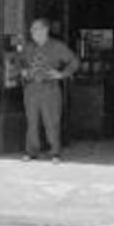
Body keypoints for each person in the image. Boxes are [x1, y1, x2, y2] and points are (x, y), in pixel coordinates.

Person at [19, 17, 78, 162]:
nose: (32, 32)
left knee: (51, 122)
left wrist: (62, 74)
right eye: (32, 29)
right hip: (32, 88)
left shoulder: (57, 46)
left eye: (35, 29)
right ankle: (31, 151)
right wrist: (23, 71)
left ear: (45, 30)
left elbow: (74, 61)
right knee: (31, 122)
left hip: (49, 88)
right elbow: (20, 63)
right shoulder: (28, 47)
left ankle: (55, 152)